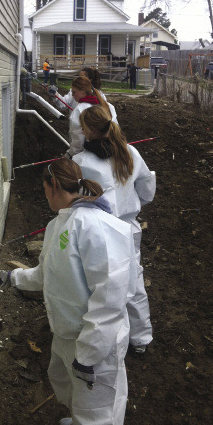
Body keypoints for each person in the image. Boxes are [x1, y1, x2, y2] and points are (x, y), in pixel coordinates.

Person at [0, 159, 136, 425]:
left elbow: (110, 297)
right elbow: (47, 273)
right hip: (67, 332)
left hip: (95, 340)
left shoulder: (98, 227)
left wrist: (89, 354)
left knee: (99, 412)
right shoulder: (59, 225)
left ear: (52, 187)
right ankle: (80, 423)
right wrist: (11, 277)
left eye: (44, 190)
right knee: (68, 386)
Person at [73, 105, 156, 353]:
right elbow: (147, 190)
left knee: (99, 286)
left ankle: (105, 340)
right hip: (128, 229)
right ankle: (140, 339)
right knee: (133, 282)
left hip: (98, 232)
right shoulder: (130, 153)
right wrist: (131, 205)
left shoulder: (81, 162)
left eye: (83, 127)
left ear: (88, 132)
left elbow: (75, 200)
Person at [66, 76, 117, 158]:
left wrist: (71, 155)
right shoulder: (108, 106)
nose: (72, 95)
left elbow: (78, 141)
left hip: (88, 155)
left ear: (82, 91)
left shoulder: (79, 110)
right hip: (112, 150)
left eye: (74, 92)